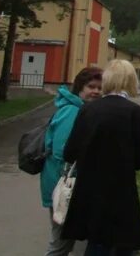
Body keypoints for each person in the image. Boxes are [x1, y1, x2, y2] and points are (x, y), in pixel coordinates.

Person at [62, 59, 140, 256]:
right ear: (131, 81)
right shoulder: (135, 113)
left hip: (91, 191)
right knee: (123, 245)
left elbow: (70, 152)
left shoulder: (88, 110)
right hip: (122, 193)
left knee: (96, 244)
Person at [40, 67, 102, 256]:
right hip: (62, 184)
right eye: (91, 87)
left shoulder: (80, 109)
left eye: (100, 88)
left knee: (65, 241)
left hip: (64, 182)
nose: (96, 92)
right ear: (79, 87)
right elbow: (62, 151)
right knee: (61, 243)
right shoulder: (72, 111)